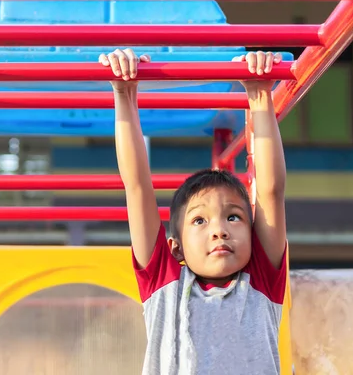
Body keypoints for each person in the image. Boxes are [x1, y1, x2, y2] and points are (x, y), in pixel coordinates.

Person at [99, 49, 288, 375]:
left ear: (252, 235)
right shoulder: (165, 284)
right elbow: (138, 187)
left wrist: (259, 97)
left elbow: (270, 193)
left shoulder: (259, 284)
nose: (220, 230)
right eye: (200, 220)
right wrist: (125, 93)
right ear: (175, 247)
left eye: (233, 217)